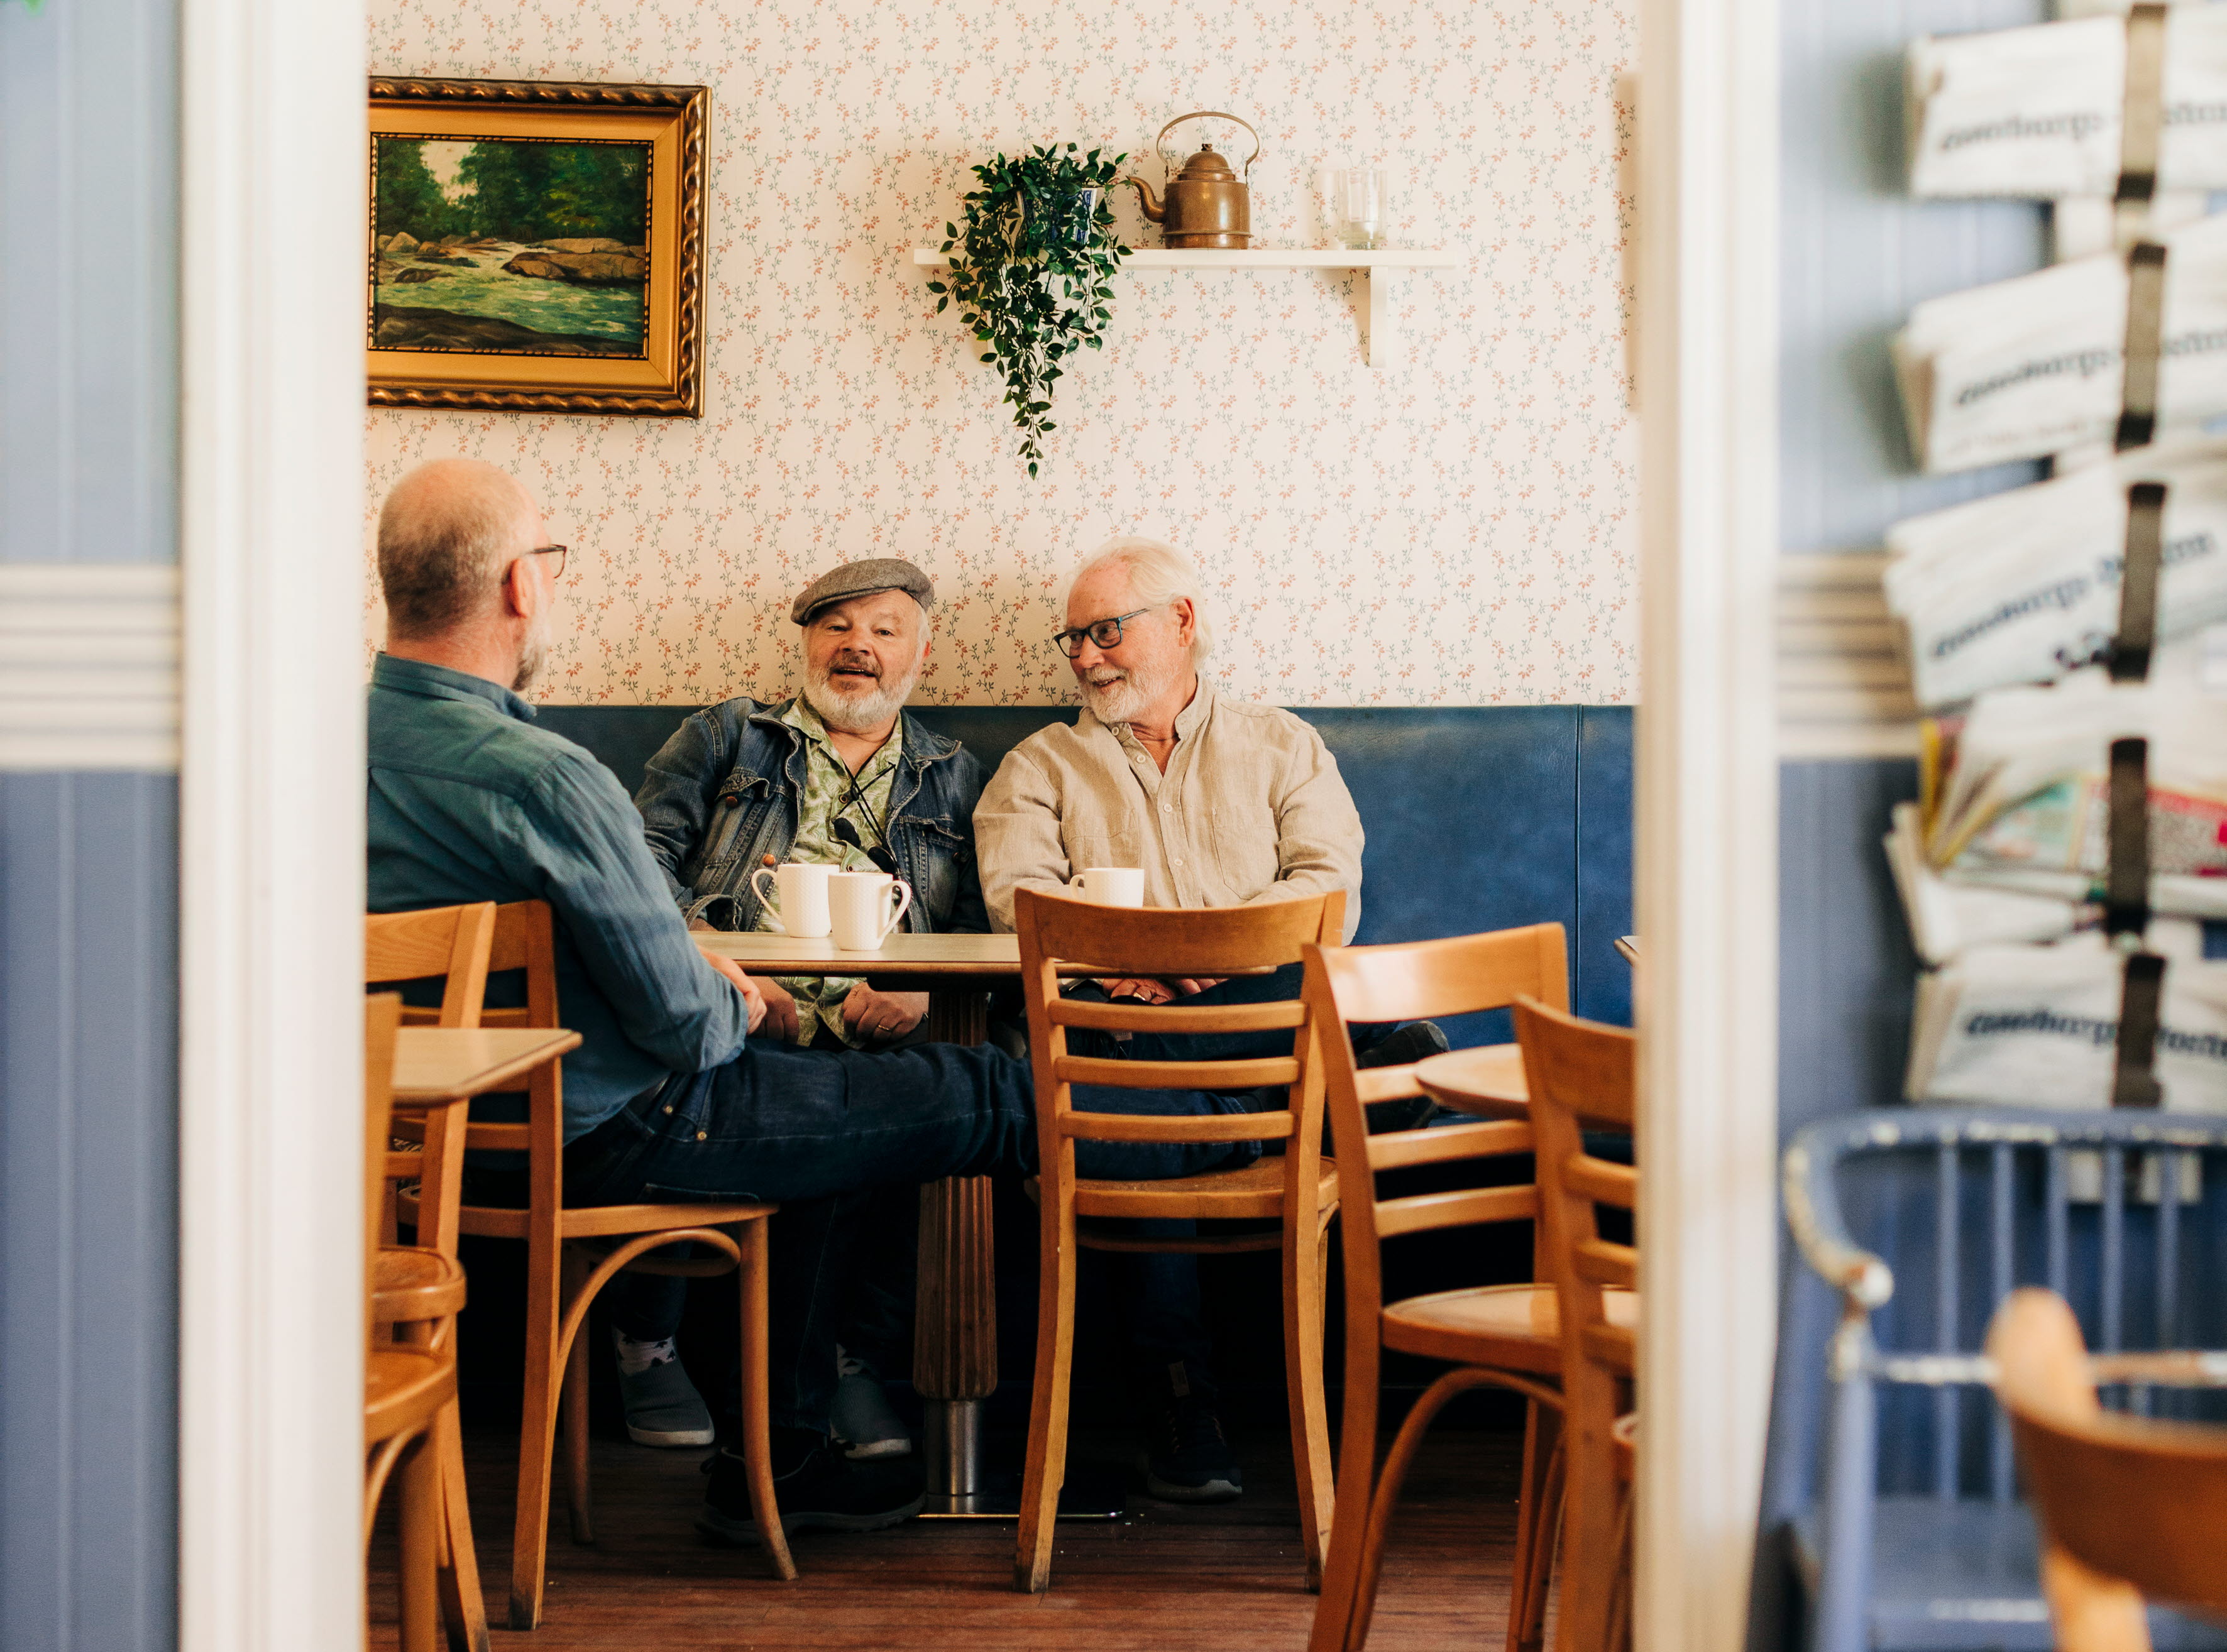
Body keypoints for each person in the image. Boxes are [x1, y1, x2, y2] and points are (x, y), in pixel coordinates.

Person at [365, 461, 1268, 1543]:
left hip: (417, 1147)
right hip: (617, 1121)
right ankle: (1236, 1123)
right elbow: (687, 1027)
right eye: (550, 565)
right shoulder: (550, 777)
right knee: (990, 1091)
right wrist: (739, 996)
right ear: (521, 587)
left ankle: (780, 1459)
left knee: (847, 1113)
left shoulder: (302, 751)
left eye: (886, 629)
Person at [973, 536, 1445, 1505]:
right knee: (1132, 1074)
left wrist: (1204, 964)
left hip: (1259, 1006)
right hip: (1111, 1023)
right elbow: (1018, 903)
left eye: (1106, 630)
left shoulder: (1284, 744)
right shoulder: (1039, 765)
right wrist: (1132, 969)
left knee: (1160, 1088)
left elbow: (1329, 893)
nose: (1086, 656)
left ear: (1181, 622)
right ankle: (1341, 1094)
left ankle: (1180, 1397)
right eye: (1074, 640)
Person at [617, 557, 986, 1461]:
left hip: (874, 1026)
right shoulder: (725, 736)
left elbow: (979, 913)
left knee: (935, 1098)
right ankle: (646, 1344)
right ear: (807, 643)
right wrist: (723, 968)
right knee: (682, 1069)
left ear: (921, 655)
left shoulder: (952, 771)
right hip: (737, 1010)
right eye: (836, 626)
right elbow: (639, 863)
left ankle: (852, 1366)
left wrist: (921, 992)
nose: (858, 644)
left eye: (884, 629)